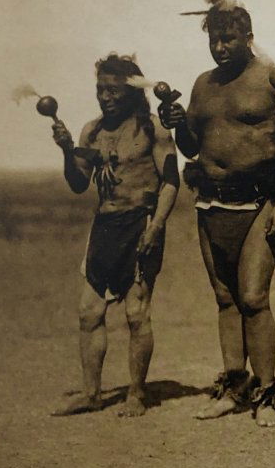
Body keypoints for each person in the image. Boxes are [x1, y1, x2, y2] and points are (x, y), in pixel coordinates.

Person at [160, 0, 275, 427]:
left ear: (249, 36)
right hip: (211, 204)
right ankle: (235, 385)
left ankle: (267, 392)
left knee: (254, 298)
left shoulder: (273, 78)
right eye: (214, 41)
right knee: (225, 299)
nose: (221, 48)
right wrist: (179, 124)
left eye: (229, 40)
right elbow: (191, 147)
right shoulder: (203, 85)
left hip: (260, 201)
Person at [50, 54, 179, 418]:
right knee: (88, 312)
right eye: (100, 90)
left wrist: (156, 227)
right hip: (104, 226)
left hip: (142, 223)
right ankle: (92, 394)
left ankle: (136, 394)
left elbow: (171, 181)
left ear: (132, 92)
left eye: (113, 91)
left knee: (136, 314)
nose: (105, 97)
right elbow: (78, 183)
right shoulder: (91, 131)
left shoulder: (152, 128)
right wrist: (65, 149)